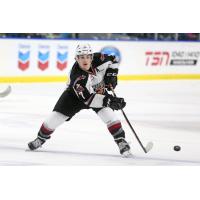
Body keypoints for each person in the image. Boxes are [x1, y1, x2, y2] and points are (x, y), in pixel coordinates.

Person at [28, 44, 132, 157]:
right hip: (74, 97)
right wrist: (110, 101)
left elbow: (114, 59)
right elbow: (88, 99)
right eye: (81, 57)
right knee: (53, 120)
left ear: (92, 57)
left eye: (87, 56)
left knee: (110, 117)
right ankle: (41, 138)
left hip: (97, 92)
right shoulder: (77, 77)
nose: (85, 60)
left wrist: (112, 75)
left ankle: (121, 141)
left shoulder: (100, 58)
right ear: (76, 59)